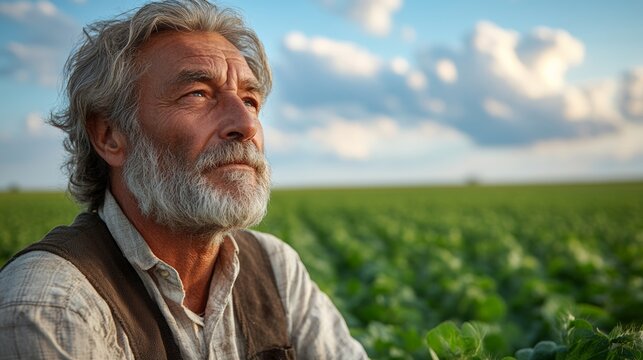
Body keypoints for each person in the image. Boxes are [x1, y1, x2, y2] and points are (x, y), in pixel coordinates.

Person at [0, 0, 368, 359]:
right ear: (109, 135)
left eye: (250, 100)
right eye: (198, 94)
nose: (246, 124)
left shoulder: (275, 268)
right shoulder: (51, 304)